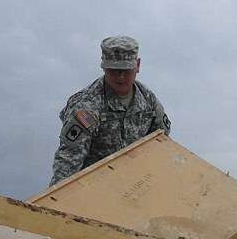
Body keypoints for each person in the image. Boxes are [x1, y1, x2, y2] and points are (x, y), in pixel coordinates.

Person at [50, 36, 171, 186]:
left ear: (138, 65)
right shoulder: (87, 106)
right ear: (104, 68)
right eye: (114, 71)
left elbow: (161, 142)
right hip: (94, 188)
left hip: (136, 185)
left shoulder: (148, 99)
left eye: (126, 70)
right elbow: (68, 161)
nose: (121, 77)